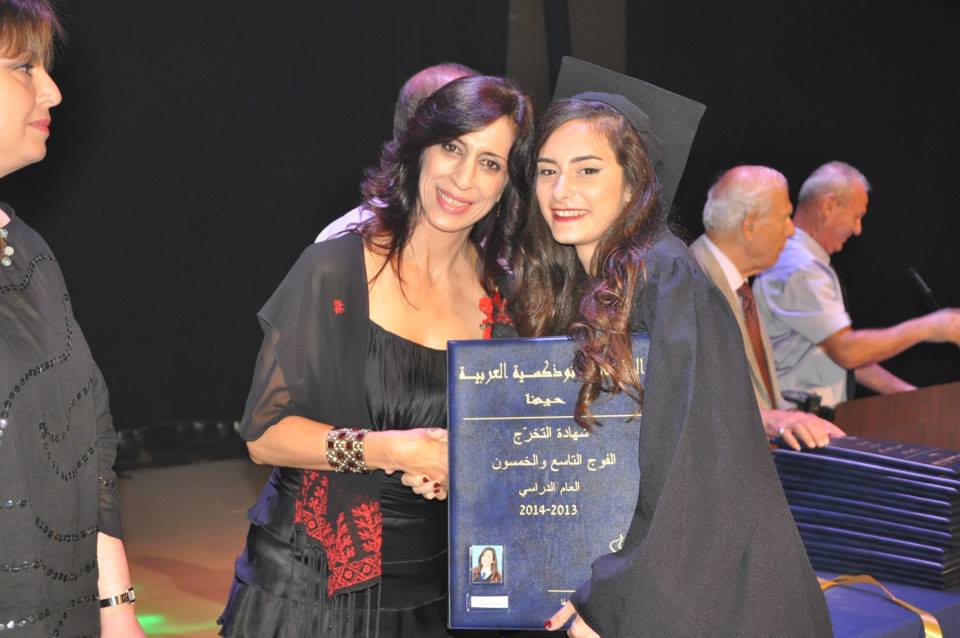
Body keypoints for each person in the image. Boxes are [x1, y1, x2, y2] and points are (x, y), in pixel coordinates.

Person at [506, 59, 831, 637]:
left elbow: (697, 462)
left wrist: (612, 603)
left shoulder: (666, 277)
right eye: (547, 170)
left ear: (633, 182)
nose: (561, 191)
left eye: (587, 170)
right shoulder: (574, 285)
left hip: (709, 598)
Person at [218, 74, 533, 638]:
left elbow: (500, 447)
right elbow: (264, 436)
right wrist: (391, 449)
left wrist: (457, 468)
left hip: (437, 586)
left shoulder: (503, 300)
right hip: (312, 586)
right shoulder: (336, 269)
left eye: (490, 163)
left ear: (508, 183)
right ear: (420, 148)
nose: (463, 178)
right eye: (453, 147)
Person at [0, 1, 145, 636]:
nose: (52, 91)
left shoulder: (26, 251)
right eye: (23, 67)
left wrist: (117, 609)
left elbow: (89, 440)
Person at [753, 161, 960, 408]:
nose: (858, 229)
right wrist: (930, 327)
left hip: (803, 420)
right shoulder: (801, 267)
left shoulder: (802, 262)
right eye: (857, 216)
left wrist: (910, 396)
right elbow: (847, 352)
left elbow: (843, 357)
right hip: (790, 422)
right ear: (829, 206)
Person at [689, 165, 845, 450]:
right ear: (750, 225)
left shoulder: (741, 289)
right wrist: (769, 420)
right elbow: (685, 399)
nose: (791, 230)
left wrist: (795, 417)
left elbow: (758, 397)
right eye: (785, 217)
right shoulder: (690, 284)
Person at [315, 62, 477, 242]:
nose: (467, 177)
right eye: (452, 147)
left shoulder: (489, 244)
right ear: (417, 137)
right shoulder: (346, 242)